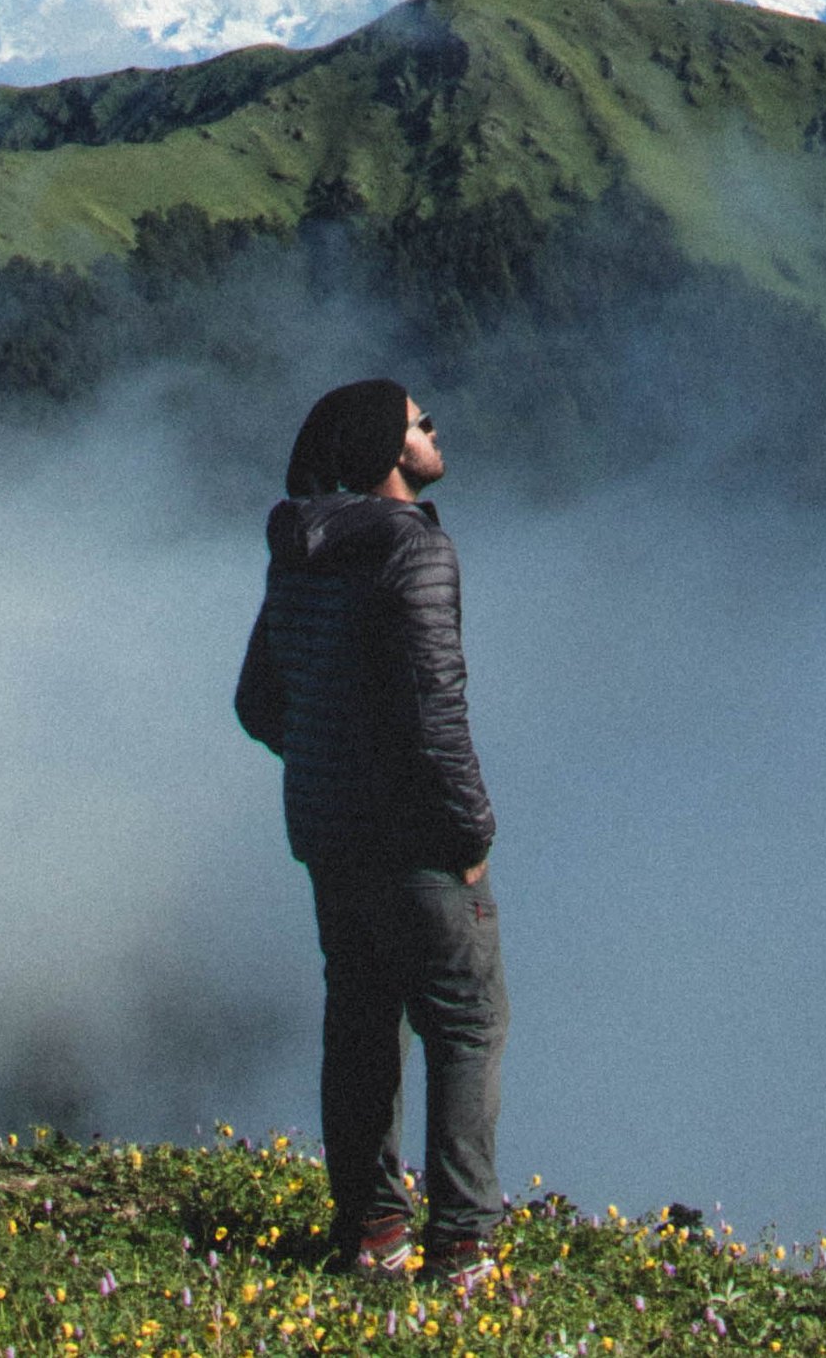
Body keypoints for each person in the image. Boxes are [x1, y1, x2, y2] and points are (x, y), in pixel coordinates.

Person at [234, 378, 507, 1293]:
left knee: (359, 1023)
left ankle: (371, 1234)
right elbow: (438, 716)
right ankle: (464, 1250)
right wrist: (469, 833)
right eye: (421, 421)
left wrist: (329, 764)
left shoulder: (299, 551)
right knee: (467, 1025)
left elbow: (259, 702)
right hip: (416, 846)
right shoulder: (414, 551)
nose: (435, 430)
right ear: (393, 451)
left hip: (329, 835)